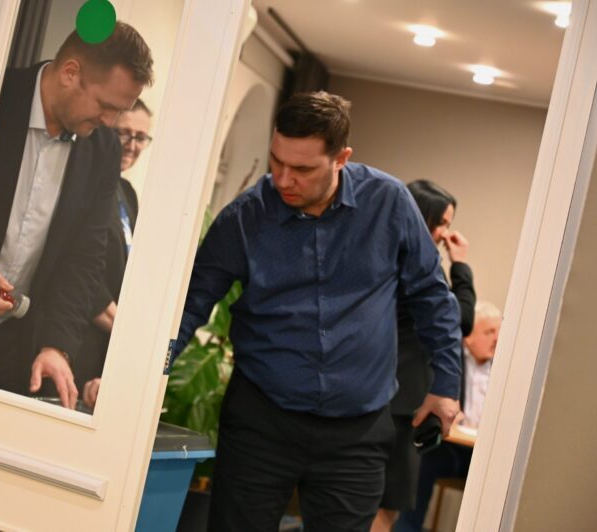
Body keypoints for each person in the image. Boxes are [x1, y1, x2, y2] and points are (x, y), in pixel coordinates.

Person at [174, 91, 463, 531]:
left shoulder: (388, 203)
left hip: (357, 433)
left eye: (303, 169)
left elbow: (432, 295)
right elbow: (191, 304)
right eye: (276, 161)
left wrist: (446, 384)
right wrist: (142, 380)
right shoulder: (245, 217)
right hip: (262, 422)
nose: (283, 179)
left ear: (341, 158)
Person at [0, 24, 154, 409]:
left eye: (119, 111)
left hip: (18, 354)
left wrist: (57, 347)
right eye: (105, 105)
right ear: (70, 73)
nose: (110, 122)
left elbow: (84, 259)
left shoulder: (103, 149)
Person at [373, 180, 476, 532]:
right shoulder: (417, 264)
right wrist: (460, 266)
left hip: (383, 393)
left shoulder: (383, 253)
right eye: (442, 223)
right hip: (401, 403)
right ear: (422, 217)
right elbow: (461, 320)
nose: (446, 233)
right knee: (384, 505)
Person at [394, 301, 502, 532]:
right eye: (489, 332)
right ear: (468, 336)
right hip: (450, 449)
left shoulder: (504, 369)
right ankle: (407, 528)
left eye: (499, 332)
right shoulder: (449, 363)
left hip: (485, 454)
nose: (497, 339)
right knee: (423, 461)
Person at [78, 99, 154, 407]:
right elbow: (79, 267)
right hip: (77, 335)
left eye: (141, 137)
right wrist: (128, 334)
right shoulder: (86, 181)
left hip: (105, 346)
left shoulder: (128, 193)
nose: (132, 145)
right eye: (124, 133)